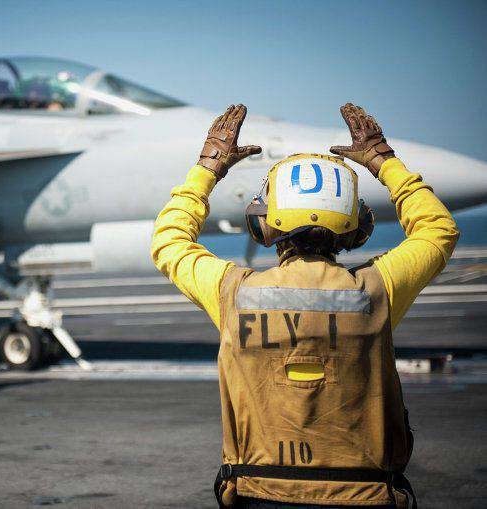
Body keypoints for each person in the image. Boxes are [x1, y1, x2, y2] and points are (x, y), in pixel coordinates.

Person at [151, 103, 459, 508]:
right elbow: (438, 231)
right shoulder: (376, 290)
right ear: (356, 226)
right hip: (366, 495)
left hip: (258, 494)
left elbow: (169, 241)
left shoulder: (232, 292)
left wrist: (208, 169)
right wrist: (385, 163)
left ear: (264, 223)